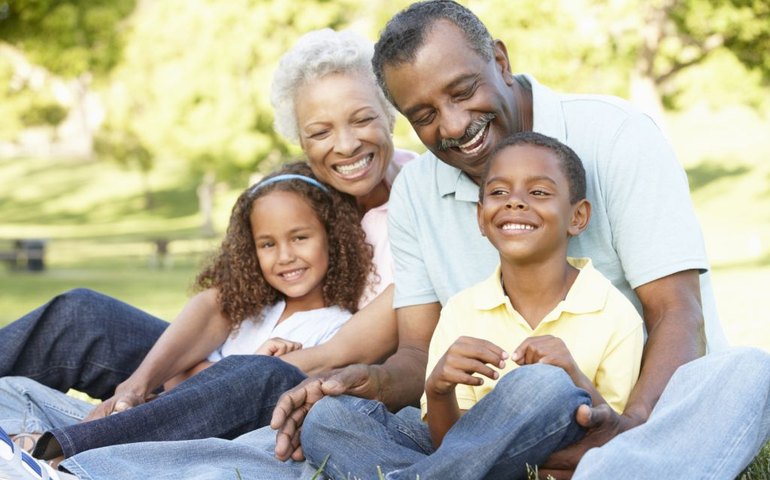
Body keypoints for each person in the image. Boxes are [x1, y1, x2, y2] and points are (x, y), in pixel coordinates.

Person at [276, 1, 769, 478]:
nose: (452, 124)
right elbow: (418, 356)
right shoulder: (416, 191)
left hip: (637, 409)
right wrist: (370, 381)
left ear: (500, 60)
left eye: (463, 90)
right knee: (333, 420)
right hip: (483, 427)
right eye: (423, 116)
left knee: (748, 375)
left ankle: (614, 465)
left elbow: (677, 312)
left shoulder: (617, 136)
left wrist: (629, 426)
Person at [0, 28, 417, 478]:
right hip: (234, 363)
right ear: (300, 137)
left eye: (362, 120)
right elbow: (224, 300)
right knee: (83, 314)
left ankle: (59, 457)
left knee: (260, 373)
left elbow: (340, 353)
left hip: (308, 386)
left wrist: (212, 379)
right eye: (320, 131)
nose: (346, 144)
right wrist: (141, 384)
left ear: (390, 114)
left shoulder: (418, 200)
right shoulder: (306, 190)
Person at [303, 132, 645, 479]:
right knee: (329, 417)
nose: (515, 202)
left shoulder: (614, 315)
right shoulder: (462, 309)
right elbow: (447, 442)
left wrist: (572, 377)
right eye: (499, 192)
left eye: (539, 192)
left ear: (577, 216)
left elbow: (614, 440)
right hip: (462, 461)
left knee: (545, 384)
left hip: (557, 457)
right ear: (481, 217)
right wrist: (437, 389)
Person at [0, 161, 375, 463]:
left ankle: (50, 453)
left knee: (262, 371)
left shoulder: (335, 326)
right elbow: (181, 382)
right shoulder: (250, 311)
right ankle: (32, 442)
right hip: (141, 418)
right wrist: (196, 374)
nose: (286, 256)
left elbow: (235, 396)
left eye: (300, 238)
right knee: (24, 375)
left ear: (334, 239)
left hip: (170, 440)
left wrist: (212, 370)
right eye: (267, 244)